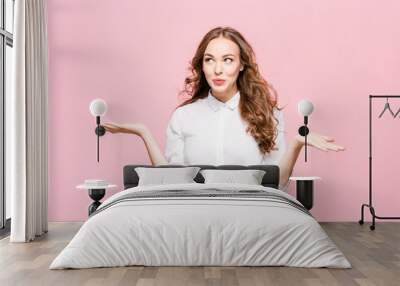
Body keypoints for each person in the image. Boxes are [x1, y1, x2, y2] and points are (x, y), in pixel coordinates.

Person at [103, 27, 345, 189]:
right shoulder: (184, 116)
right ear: (203, 65)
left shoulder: (268, 115)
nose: (218, 70)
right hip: (194, 211)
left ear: (241, 65)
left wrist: (295, 145)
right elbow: (172, 179)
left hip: (249, 211)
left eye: (227, 60)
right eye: (210, 60)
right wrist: (143, 132)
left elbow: (277, 183)